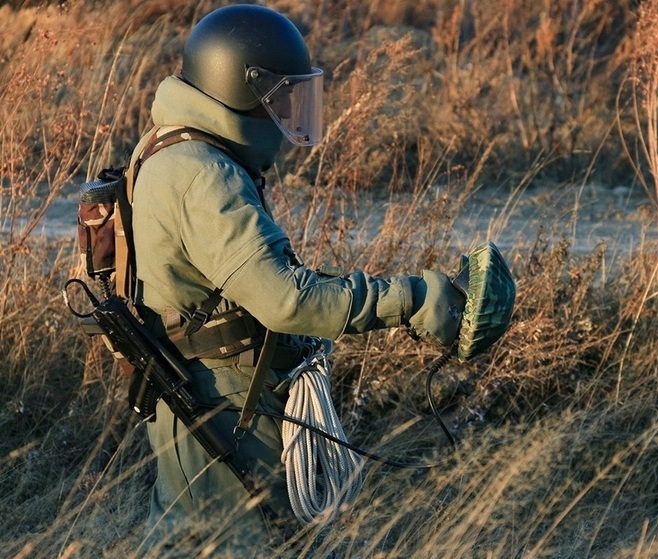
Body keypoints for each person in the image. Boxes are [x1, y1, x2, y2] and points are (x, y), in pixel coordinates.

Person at [131, 3, 470, 555]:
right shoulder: (202, 175)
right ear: (241, 90)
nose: (289, 116)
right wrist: (413, 297)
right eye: (280, 99)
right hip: (227, 405)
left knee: (184, 538)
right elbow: (287, 301)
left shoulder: (169, 146)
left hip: (198, 397)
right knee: (256, 542)